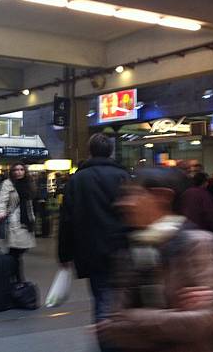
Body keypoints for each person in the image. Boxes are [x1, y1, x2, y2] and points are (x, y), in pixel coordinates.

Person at [97, 167, 213, 352]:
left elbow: (204, 322)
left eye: (133, 194)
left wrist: (132, 318)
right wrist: (174, 316)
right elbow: (113, 323)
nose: (123, 203)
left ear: (162, 196)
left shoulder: (199, 245)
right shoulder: (131, 249)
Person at [58, 132, 129, 342]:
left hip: (91, 250)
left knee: (100, 297)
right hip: (122, 248)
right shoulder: (123, 177)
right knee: (123, 297)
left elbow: (66, 220)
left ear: (90, 151)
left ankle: (106, 342)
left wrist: (64, 254)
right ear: (111, 152)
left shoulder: (77, 180)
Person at [0, 162, 36, 283]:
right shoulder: (8, 184)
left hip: (26, 221)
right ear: (12, 172)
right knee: (15, 253)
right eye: (16, 170)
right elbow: (1, 200)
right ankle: (17, 278)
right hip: (14, 221)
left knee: (19, 251)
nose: (19, 172)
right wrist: (1, 212)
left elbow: (29, 203)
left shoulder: (28, 184)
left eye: (21, 169)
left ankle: (11, 276)